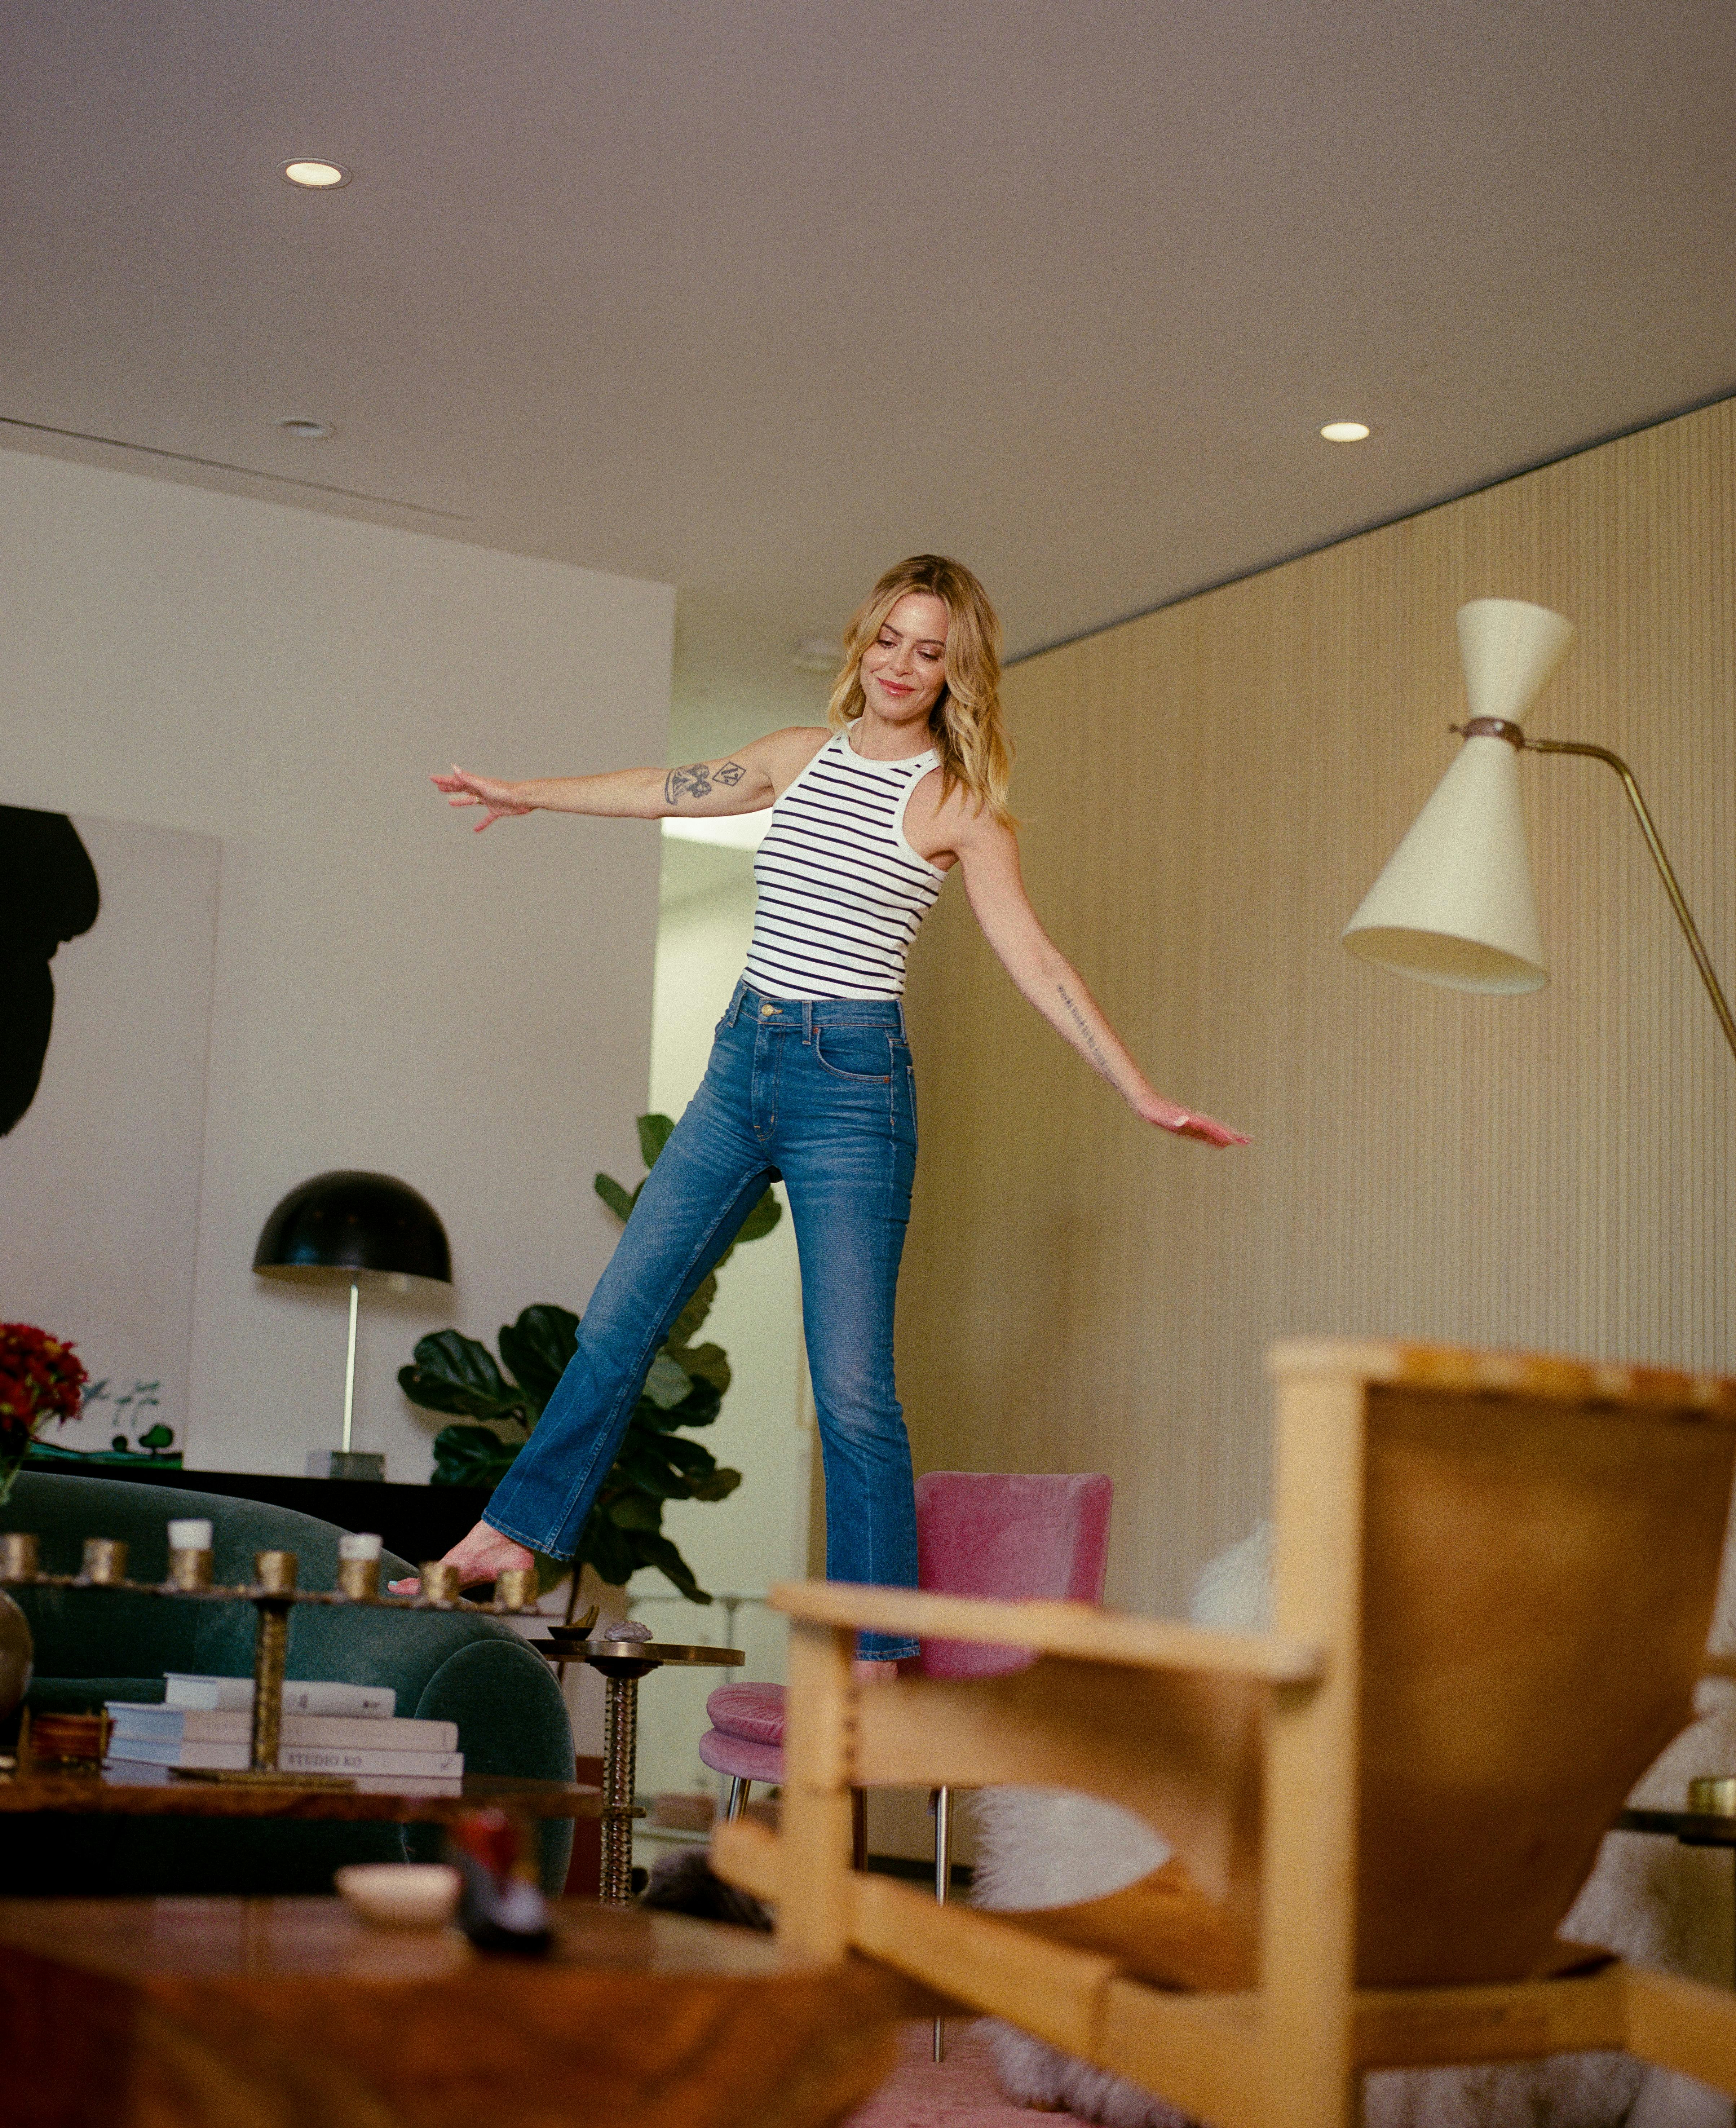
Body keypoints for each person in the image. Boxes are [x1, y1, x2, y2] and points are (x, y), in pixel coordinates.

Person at [397, 555, 1249, 1663]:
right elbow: (664, 786)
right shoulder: (797, 761)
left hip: (853, 1091)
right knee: (620, 1315)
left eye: (929, 650)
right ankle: (518, 1530)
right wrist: (527, 794)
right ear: (865, 643)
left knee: (852, 1391)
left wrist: (1136, 1087)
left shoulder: (958, 806)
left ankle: (879, 1654)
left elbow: (1036, 960)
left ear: (957, 672)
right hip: (739, 1064)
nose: (902, 664)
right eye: (889, 639)